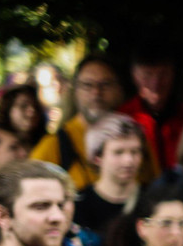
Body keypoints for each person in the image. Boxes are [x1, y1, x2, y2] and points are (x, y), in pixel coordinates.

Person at [31, 56, 154, 191]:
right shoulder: (54, 145)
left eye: (105, 84)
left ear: (119, 89)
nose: (96, 92)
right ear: (75, 91)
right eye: (87, 85)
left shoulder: (137, 139)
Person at [117, 46, 183, 175]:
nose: (155, 84)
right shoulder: (122, 118)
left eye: (163, 75)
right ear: (134, 76)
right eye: (147, 75)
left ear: (173, 75)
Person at [75, 114, 146, 246]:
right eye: (118, 152)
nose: (129, 160)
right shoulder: (79, 205)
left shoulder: (152, 199)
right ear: (97, 157)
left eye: (135, 152)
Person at [0, 85, 46, 154]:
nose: (32, 112)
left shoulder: (47, 142)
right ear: (8, 109)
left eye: (36, 107)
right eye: (23, 106)